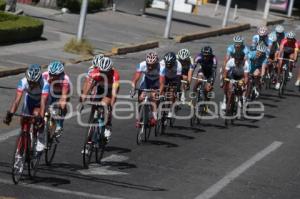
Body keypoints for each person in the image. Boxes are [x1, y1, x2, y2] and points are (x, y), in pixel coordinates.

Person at [3, 64, 49, 152]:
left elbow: (43, 103)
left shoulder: (45, 84)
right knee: (24, 121)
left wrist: (40, 117)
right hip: (30, 100)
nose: (31, 84)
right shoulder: (23, 82)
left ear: (39, 80)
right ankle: (24, 141)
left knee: (37, 115)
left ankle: (40, 138)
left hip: (41, 102)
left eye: (33, 82)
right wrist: (10, 114)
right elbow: (17, 101)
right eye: (29, 82)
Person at [79, 57, 120, 141]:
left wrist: (111, 107)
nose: (103, 74)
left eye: (105, 72)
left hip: (110, 90)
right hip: (100, 88)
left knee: (105, 105)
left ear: (110, 70)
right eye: (102, 72)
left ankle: (107, 125)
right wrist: (82, 101)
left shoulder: (115, 75)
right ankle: (92, 125)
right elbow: (88, 87)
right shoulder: (95, 72)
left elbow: (114, 94)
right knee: (94, 104)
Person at [131, 51, 165, 126]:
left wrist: (159, 93)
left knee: (154, 98)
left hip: (156, 83)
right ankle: (139, 118)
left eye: (152, 65)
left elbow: (162, 83)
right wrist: (133, 87)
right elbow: (135, 79)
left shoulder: (162, 67)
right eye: (148, 64)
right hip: (146, 82)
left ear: (156, 63)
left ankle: (154, 117)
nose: (149, 67)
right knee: (140, 99)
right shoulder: (142, 65)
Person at [42, 61, 71, 137]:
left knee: (62, 106)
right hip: (50, 91)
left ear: (60, 74)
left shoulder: (65, 79)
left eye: (55, 75)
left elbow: (64, 97)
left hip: (61, 92)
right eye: (50, 74)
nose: (52, 77)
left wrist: (61, 104)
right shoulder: (44, 75)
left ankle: (60, 124)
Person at [160, 52, 182, 118]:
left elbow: (178, 79)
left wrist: (177, 90)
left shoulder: (178, 65)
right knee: (161, 90)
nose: (169, 66)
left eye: (170, 65)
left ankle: (170, 110)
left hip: (174, 78)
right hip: (165, 77)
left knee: (172, 93)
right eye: (167, 64)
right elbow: (159, 77)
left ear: (174, 62)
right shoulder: (161, 63)